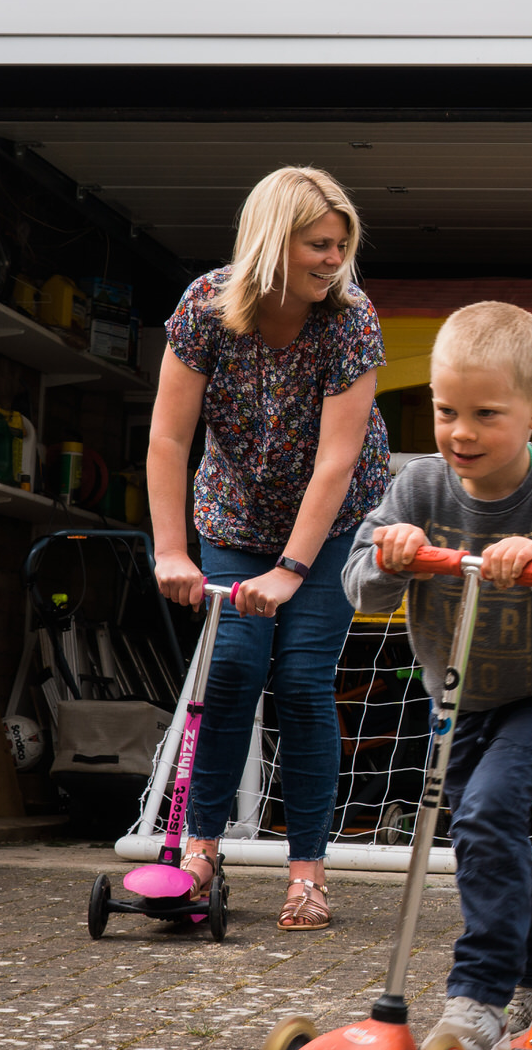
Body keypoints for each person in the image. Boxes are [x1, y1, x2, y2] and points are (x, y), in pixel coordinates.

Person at [344, 300, 532, 1050]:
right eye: (445, 411)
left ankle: (480, 998)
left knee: (486, 814)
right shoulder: (420, 491)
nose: (460, 432)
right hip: (457, 698)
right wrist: (389, 555)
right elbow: (360, 588)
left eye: (485, 414)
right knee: (483, 832)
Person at [148, 166, 392, 932]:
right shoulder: (205, 307)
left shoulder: (350, 319)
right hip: (233, 516)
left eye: (341, 246)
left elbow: (336, 460)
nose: (333, 261)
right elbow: (168, 436)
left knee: (302, 682)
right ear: (272, 240)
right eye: (319, 245)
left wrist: (291, 569)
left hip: (335, 521)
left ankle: (308, 873)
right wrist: (170, 551)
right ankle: (199, 851)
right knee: (233, 670)